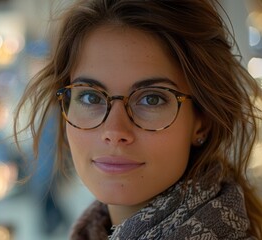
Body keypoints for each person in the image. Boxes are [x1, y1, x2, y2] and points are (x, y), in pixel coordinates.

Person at [13, 0, 262, 239]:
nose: (113, 130)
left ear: (202, 120)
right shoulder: (94, 230)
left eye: (151, 99)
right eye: (90, 97)